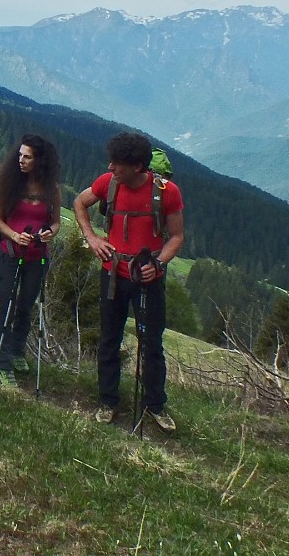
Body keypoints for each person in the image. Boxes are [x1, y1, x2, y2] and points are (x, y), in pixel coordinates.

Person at [73, 131, 184, 432]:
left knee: (152, 344)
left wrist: (159, 264)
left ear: (137, 166)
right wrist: (92, 238)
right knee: (109, 338)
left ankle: (155, 404)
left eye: (117, 164)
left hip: (148, 277)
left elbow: (176, 236)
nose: (110, 168)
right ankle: (107, 401)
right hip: (113, 274)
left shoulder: (166, 192)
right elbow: (80, 203)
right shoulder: (107, 184)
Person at [0, 134, 62, 387]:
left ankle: (18, 349)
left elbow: (56, 222)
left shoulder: (51, 190)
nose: (21, 160)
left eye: (27, 156)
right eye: (19, 155)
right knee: (6, 307)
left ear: (39, 160)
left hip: (37, 257)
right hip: (10, 253)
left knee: (25, 307)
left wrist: (51, 232)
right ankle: (3, 363)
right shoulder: (9, 183)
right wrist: (13, 236)